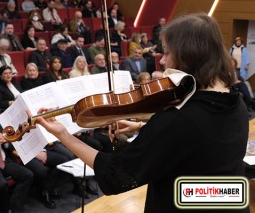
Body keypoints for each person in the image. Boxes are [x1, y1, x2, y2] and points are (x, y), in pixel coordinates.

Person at [34, 12, 248, 212]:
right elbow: (200, 140)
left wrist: (64, 135)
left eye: (166, 53)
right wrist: (142, 126)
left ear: (187, 56)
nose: (162, 61)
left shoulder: (178, 119)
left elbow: (115, 175)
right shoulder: (235, 103)